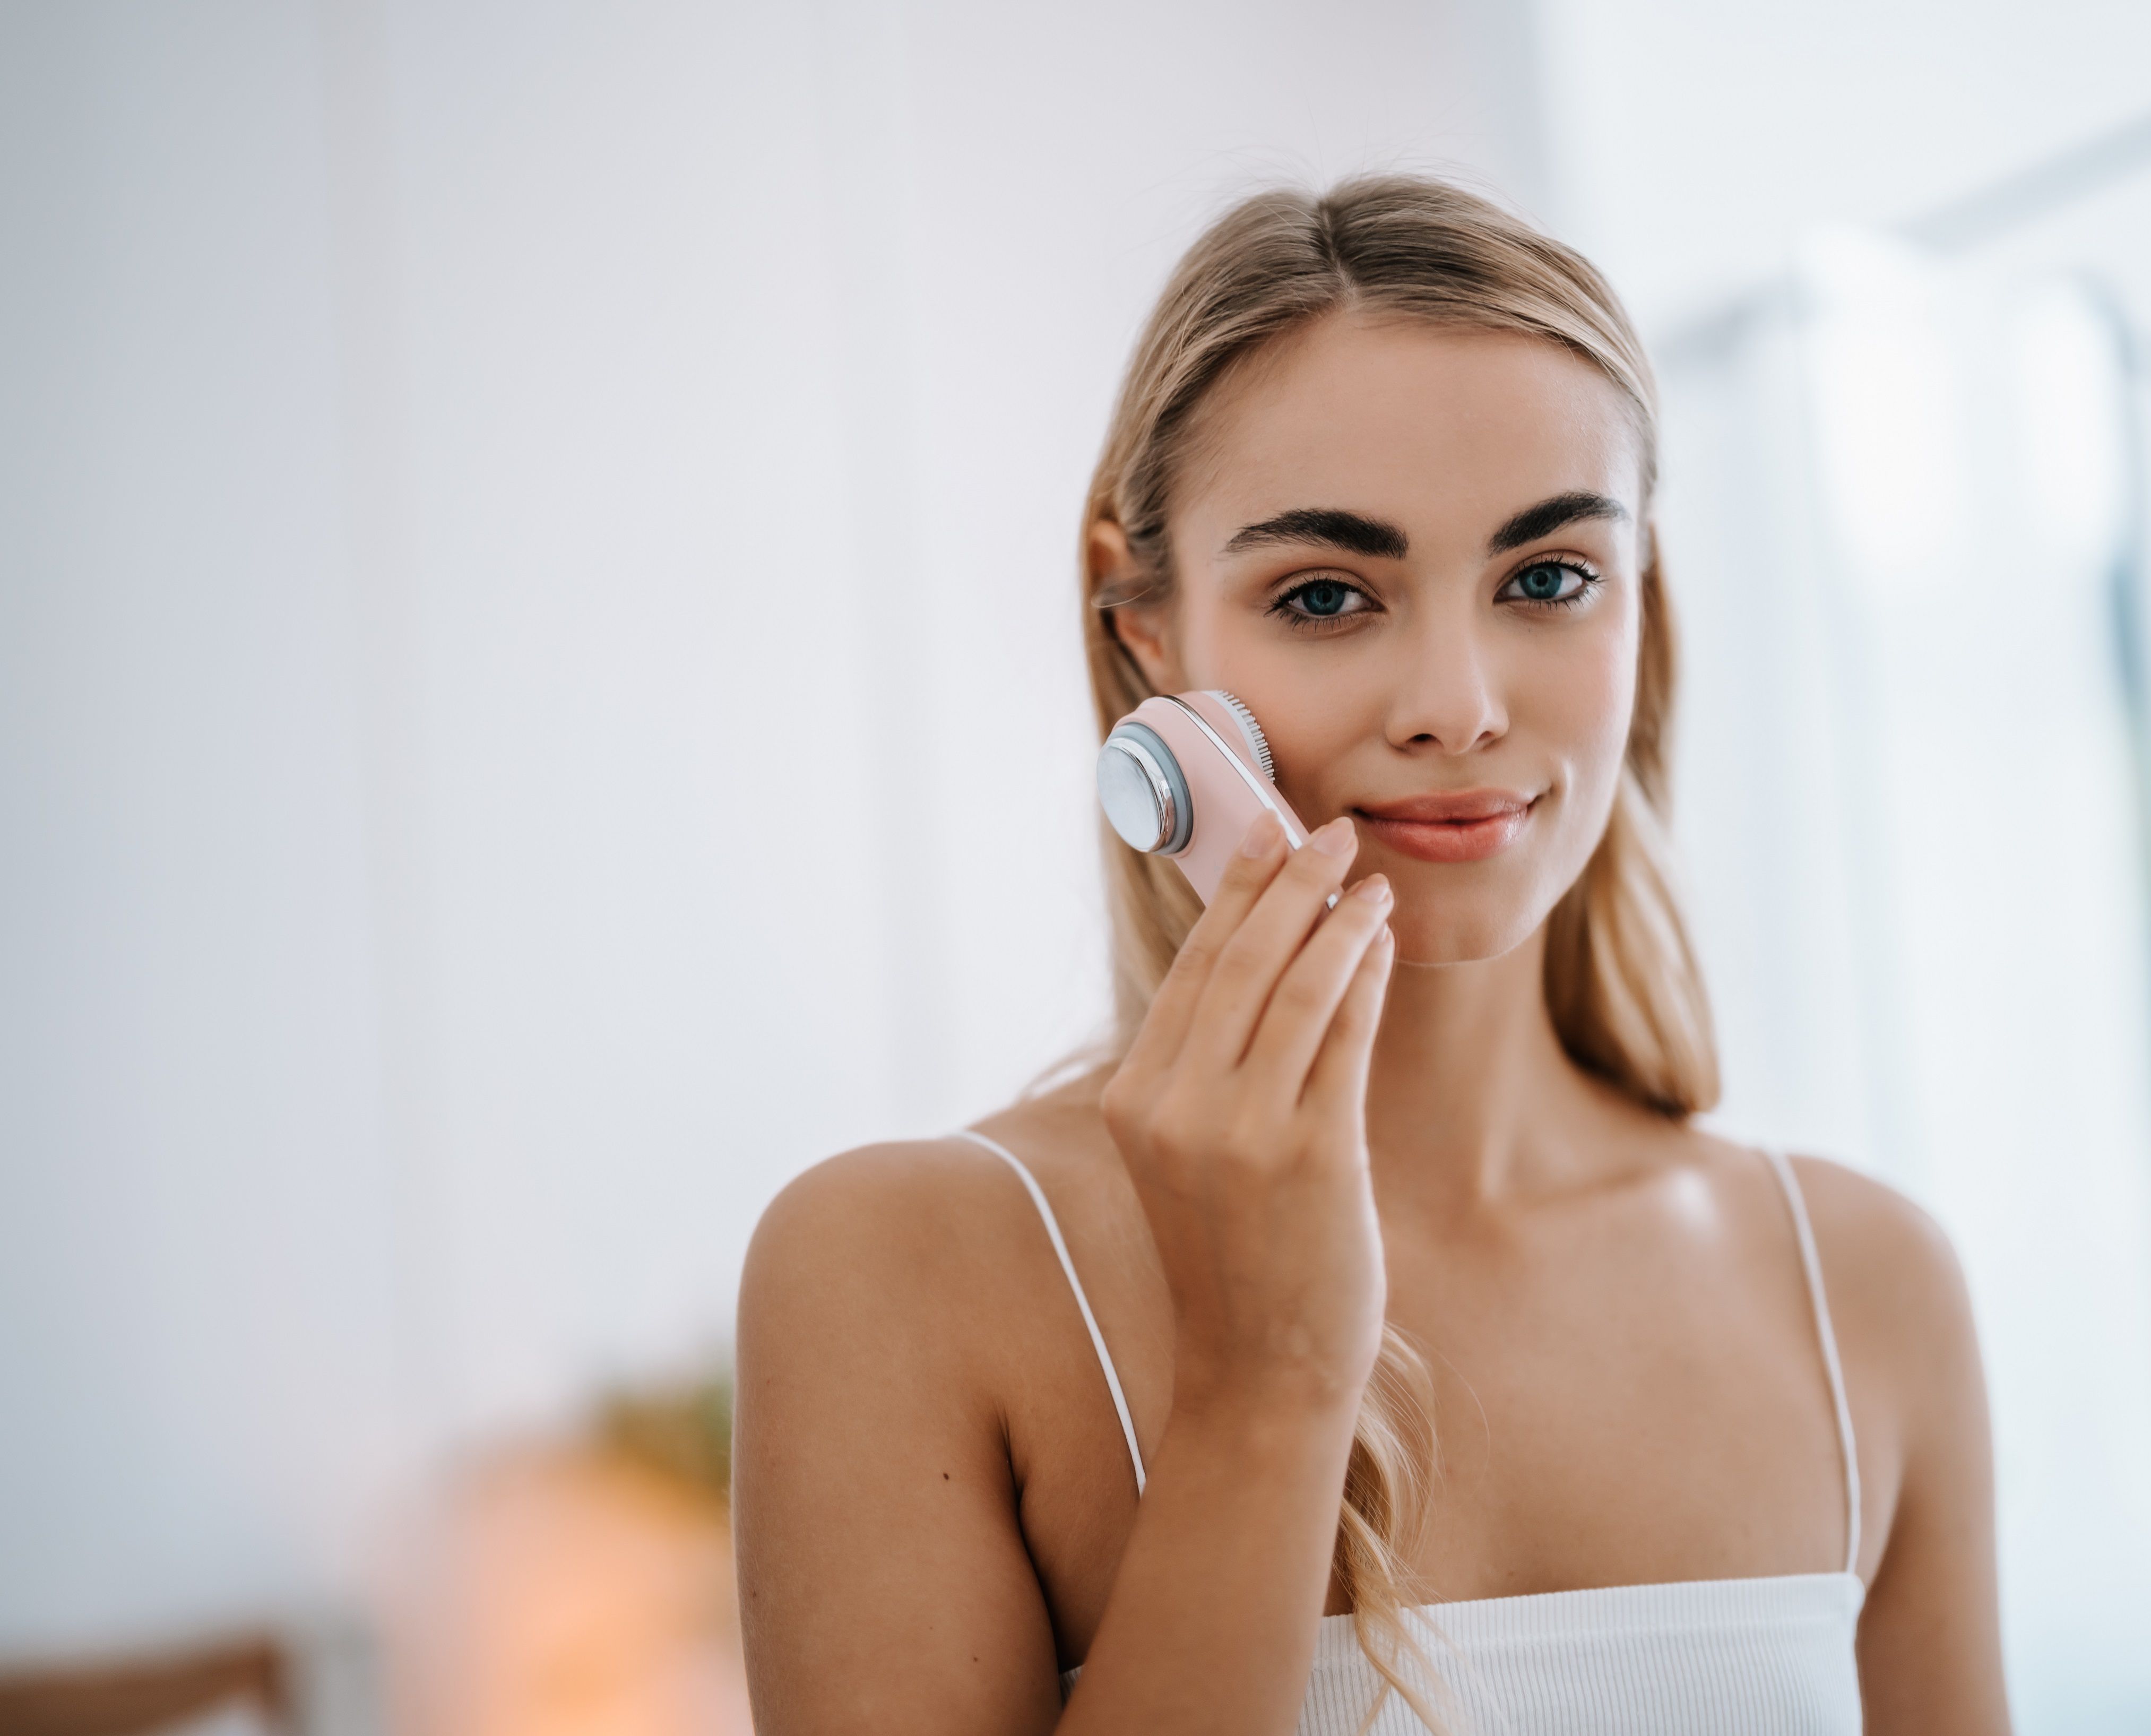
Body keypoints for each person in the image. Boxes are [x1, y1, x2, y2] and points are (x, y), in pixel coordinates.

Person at [732, 175, 2008, 1735]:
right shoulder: (899, 1272)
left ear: (1639, 603)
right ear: (1143, 624)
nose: (1458, 704)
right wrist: (1265, 1385)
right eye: (1326, 595)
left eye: (1547, 578)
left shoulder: (1864, 1284)